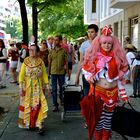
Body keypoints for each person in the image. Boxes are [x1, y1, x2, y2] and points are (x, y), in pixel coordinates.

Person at [80, 25, 129, 140]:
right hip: (98, 94)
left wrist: (124, 95)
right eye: (104, 43)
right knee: (99, 122)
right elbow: (86, 70)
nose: (106, 45)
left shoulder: (117, 58)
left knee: (107, 123)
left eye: (109, 43)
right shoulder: (94, 57)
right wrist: (90, 77)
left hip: (113, 93)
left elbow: (119, 79)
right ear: (100, 44)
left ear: (113, 45)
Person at [18, 44, 51, 134]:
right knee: (29, 105)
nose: (31, 51)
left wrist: (48, 87)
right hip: (27, 88)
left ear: (37, 52)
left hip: (38, 88)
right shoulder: (25, 61)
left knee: (38, 105)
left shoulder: (41, 62)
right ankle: (29, 123)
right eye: (30, 50)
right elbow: (21, 75)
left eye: (33, 50)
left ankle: (40, 125)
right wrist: (21, 87)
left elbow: (44, 74)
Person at [75, 24, 99, 96]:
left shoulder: (101, 43)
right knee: (87, 96)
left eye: (92, 32)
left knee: (97, 97)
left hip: (98, 74)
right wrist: (77, 76)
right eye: (88, 32)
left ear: (96, 33)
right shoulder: (84, 44)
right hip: (86, 74)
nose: (90, 34)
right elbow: (81, 61)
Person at [48, 35, 68, 112]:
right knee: (54, 89)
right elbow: (50, 62)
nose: (55, 41)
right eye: (54, 40)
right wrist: (49, 73)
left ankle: (62, 102)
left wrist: (68, 74)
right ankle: (55, 105)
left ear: (60, 41)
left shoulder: (63, 51)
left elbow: (66, 62)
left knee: (62, 88)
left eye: (56, 40)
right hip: (53, 73)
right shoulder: (51, 51)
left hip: (61, 72)